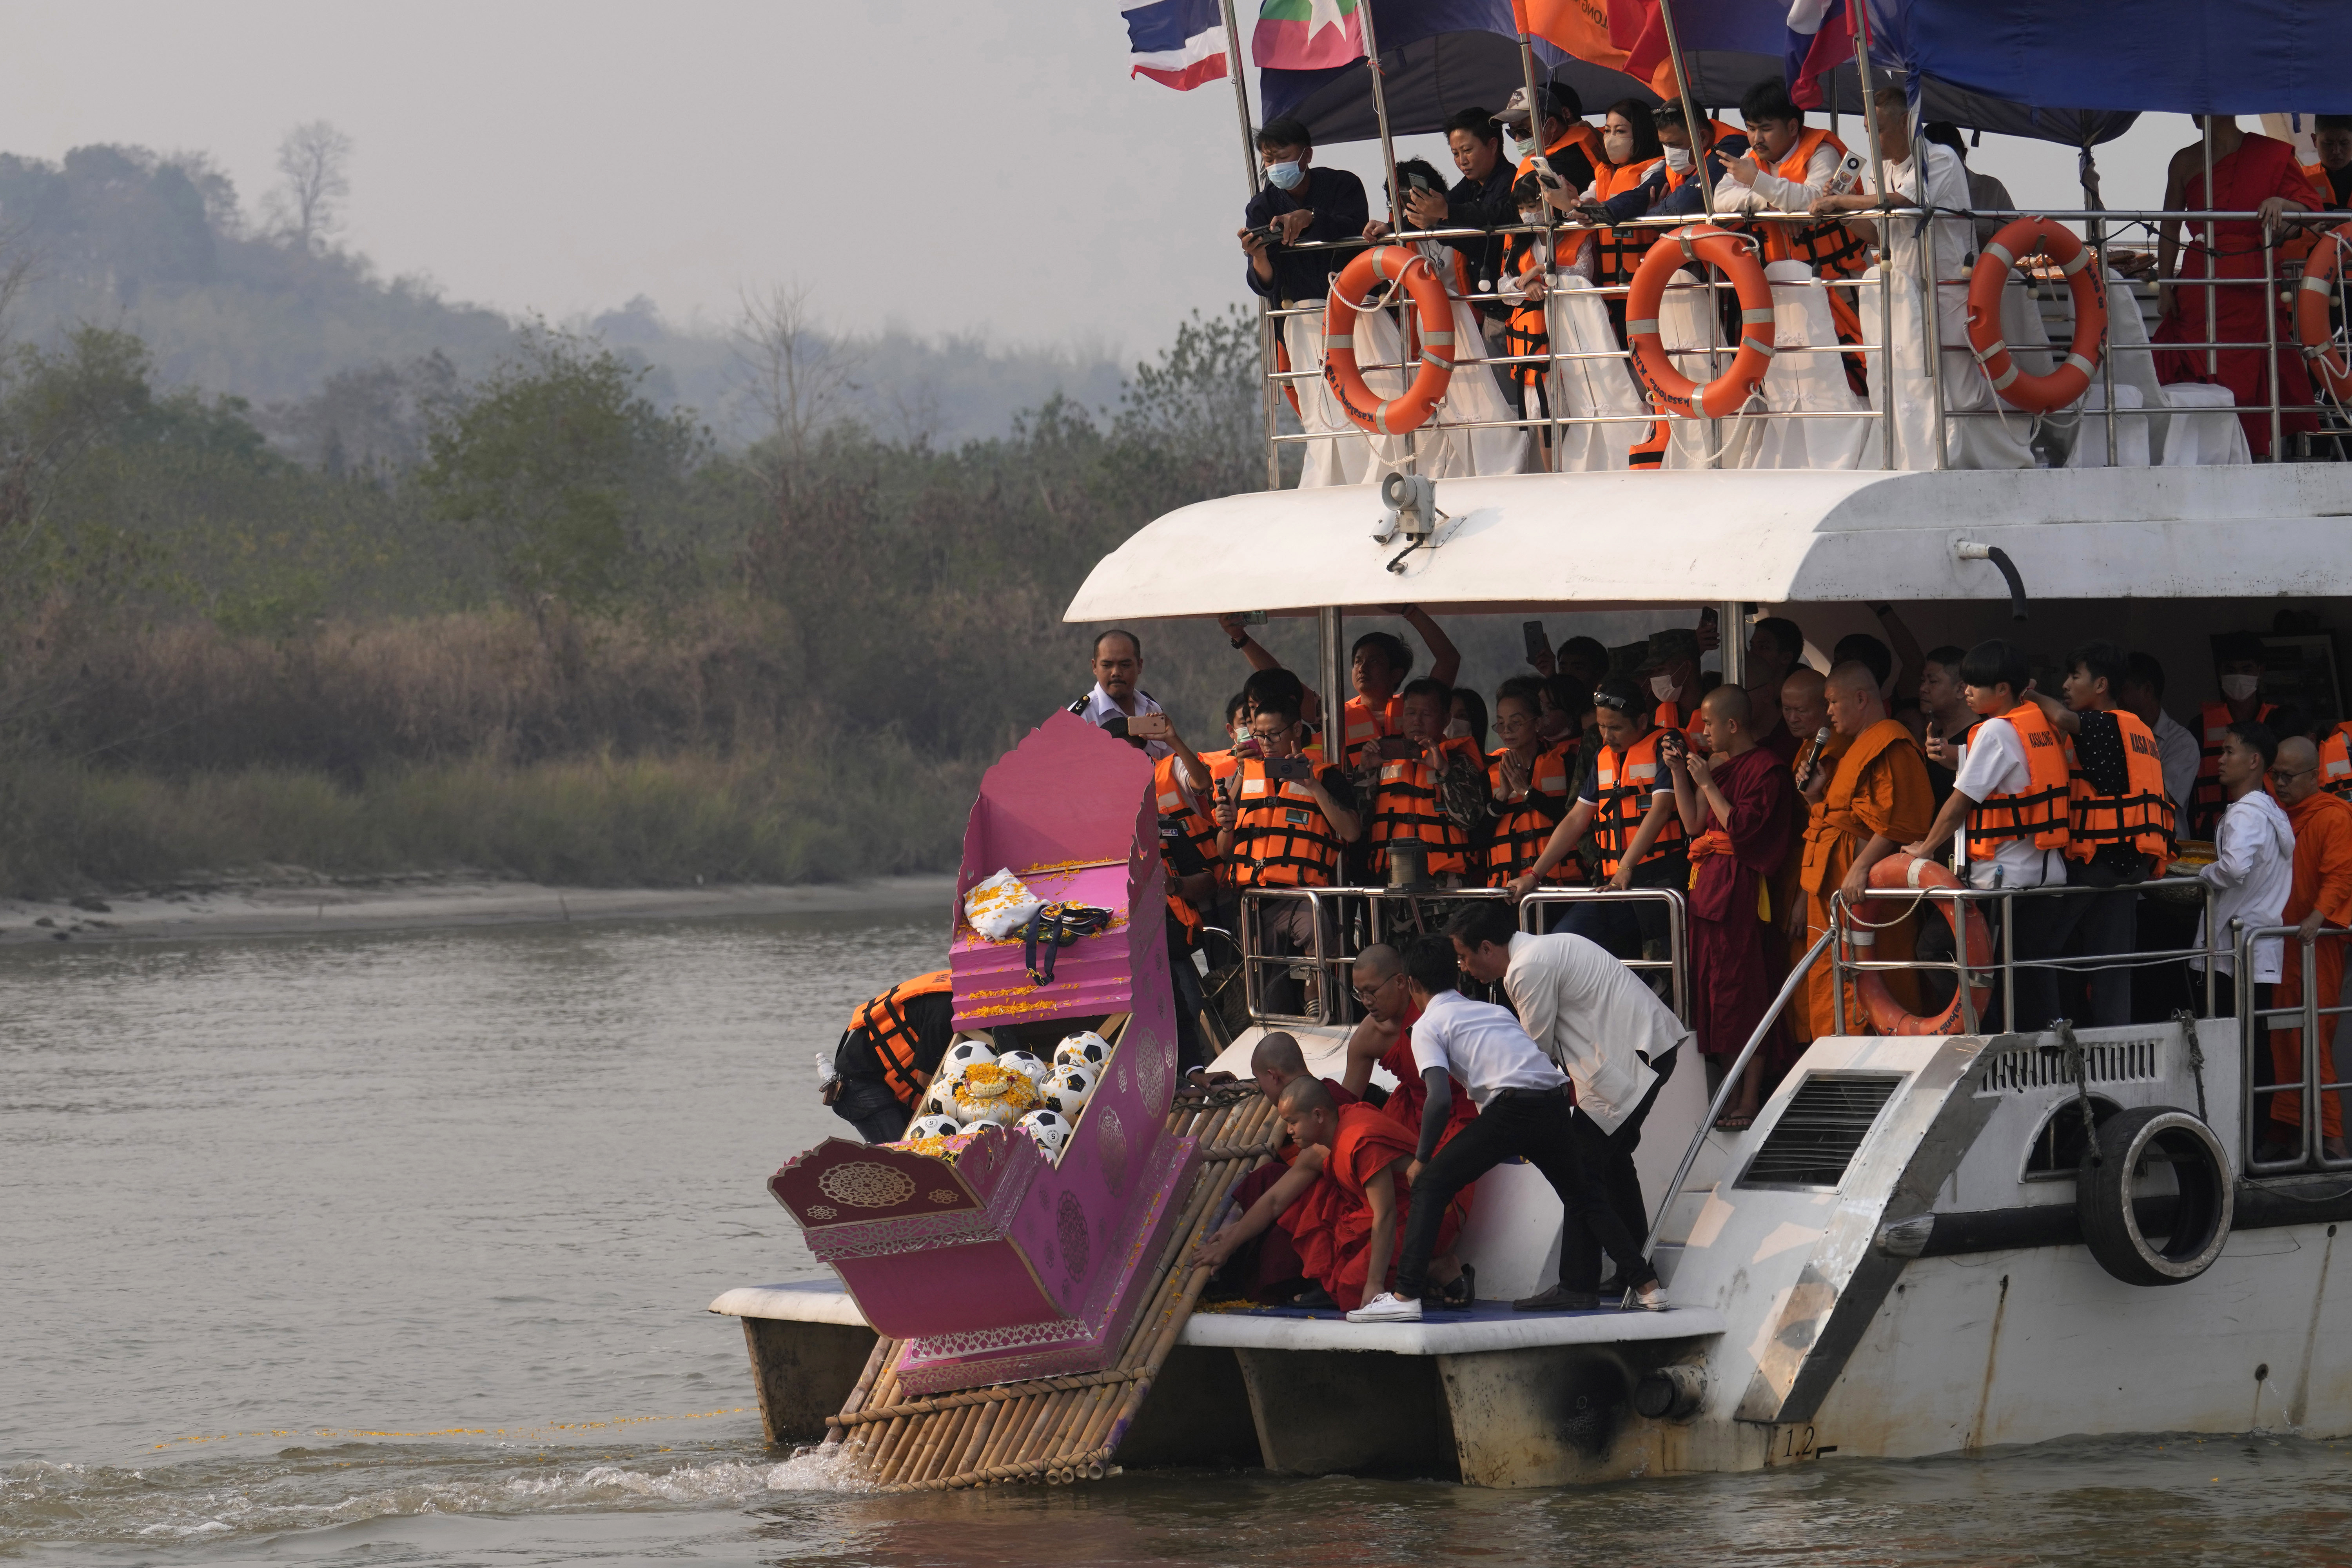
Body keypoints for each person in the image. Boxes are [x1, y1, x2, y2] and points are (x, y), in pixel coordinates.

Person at [1359, 936, 1666, 1322]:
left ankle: (1404, 1296)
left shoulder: (1427, 1025)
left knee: (1430, 1183)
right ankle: (1649, 1287)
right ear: (1455, 975)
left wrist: (1422, 1158)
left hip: (1511, 1110)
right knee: (1586, 1196)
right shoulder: (1494, 1012)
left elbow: (1438, 1097)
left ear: (1412, 984)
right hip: (1552, 1102)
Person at [1449, 903, 1685, 1307]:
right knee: (1610, 1162)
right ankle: (1633, 1271)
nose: (1463, 967)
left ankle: (1580, 1284)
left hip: (1632, 1060)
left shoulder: (1527, 968)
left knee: (1581, 1167)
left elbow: (1533, 1055)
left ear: (1487, 948)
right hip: (1646, 1051)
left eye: (1464, 956)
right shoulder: (1545, 949)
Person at [1811, 88, 2033, 470]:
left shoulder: (1941, 159)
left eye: (1878, 129)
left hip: (1947, 292)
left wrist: (1841, 202)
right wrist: (1842, 215)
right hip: (1905, 294)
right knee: (1909, 383)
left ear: (1904, 123)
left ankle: (1988, 460)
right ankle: (1916, 456)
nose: (1873, 140)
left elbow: (1898, 203)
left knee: (1960, 389)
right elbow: (1878, 232)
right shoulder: (1889, 171)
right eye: (1867, 130)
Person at [1905, 640, 2072, 1031]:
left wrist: (1924, 850)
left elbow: (1959, 803)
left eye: (1976, 686)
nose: (1967, 691)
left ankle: (1984, 1031)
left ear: (2002, 690)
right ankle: (2034, 1038)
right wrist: (1954, 756)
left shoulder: (1996, 730)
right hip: (2044, 879)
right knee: (2027, 975)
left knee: (1934, 948)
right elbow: (2011, 773)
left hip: (2002, 882)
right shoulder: (2036, 723)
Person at [1198, 1076, 1469, 1312]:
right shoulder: (1323, 1145)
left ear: (1318, 1115)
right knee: (1312, 1205)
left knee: (1354, 1286)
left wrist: (1373, 1284)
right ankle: (1412, 1274)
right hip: (1383, 1214)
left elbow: (1386, 1214)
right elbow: (1274, 1201)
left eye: (1292, 1123)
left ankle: (1436, 1268)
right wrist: (1229, 1243)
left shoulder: (1360, 1140)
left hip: (1427, 1219)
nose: (1288, 1132)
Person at [2023, 641, 2175, 1029]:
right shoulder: (2138, 730)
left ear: (2102, 685)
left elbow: (2061, 716)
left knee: (2040, 950)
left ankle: (2053, 1030)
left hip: (2097, 865)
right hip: (2130, 865)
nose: (2067, 685)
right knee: (2113, 962)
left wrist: (2027, 692)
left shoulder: (2102, 724)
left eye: (2076, 676)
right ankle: (2115, 1038)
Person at [2153, 116, 2323, 457]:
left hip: (2253, 280)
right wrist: (2165, 285)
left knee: (2252, 370)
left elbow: (2311, 210)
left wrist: (2282, 204)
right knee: (2198, 368)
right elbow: (2169, 226)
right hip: (2199, 282)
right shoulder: (2185, 160)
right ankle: (2201, 453)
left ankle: (2252, 453)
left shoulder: (2271, 153)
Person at [1669, 684, 1798, 1123]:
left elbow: (1743, 831)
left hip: (1740, 891)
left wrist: (1706, 780)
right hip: (1706, 888)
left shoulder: (1766, 770)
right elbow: (1692, 824)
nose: (1702, 731)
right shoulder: (1720, 767)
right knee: (1713, 995)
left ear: (1732, 724)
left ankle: (1750, 1097)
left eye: (1707, 723)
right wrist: (1679, 775)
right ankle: (1726, 1090)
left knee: (1744, 992)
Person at [1509, 675, 1689, 965]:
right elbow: (1577, 818)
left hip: (1659, 881)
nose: (1606, 736)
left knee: (1673, 967)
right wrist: (1534, 875)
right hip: (1612, 884)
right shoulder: (1603, 756)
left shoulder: (1666, 745)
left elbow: (1662, 808)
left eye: (1615, 727)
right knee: (1563, 946)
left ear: (1642, 722)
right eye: (1602, 727)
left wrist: (1626, 867)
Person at [1802, 661, 1934, 1036]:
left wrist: (1861, 867)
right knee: (1834, 974)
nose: (1827, 712)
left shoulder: (1890, 741)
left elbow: (1900, 823)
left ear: (1860, 699)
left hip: (1865, 886)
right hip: (1833, 884)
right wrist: (1815, 796)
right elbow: (1843, 819)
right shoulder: (1856, 747)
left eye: (1832, 702)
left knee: (1876, 972)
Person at [1240, 118, 1374, 488]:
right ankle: (1329, 484)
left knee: (1371, 393)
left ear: (1306, 155)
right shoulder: (1261, 207)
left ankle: (1377, 474)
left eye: (1282, 157)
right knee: (1322, 413)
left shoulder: (1343, 184)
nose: (1275, 167)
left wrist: (1311, 219)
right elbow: (1265, 284)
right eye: (1268, 160)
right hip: (1301, 318)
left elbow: (1354, 227)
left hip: (1354, 312)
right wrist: (1260, 258)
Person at [1215, 690, 1361, 1013]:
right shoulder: (1244, 778)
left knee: (1319, 930)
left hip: (1300, 896)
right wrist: (1226, 827)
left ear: (1297, 730)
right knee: (1270, 1001)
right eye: (1259, 735)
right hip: (1254, 902)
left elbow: (1351, 831)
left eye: (1274, 735)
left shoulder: (1326, 776)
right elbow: (1225, 851)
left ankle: (1317, 996)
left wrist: (1312, 786)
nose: (1266, 743)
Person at [2264, 736, 2352, 1161]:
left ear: (2314, 777)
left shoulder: (2334, 816)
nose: (2279, 783)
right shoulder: (2276, 813)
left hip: (2316, 945)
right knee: (2283, 1037)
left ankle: (2332, 1140)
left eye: (2288, 776)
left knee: (2312, 1039)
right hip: (2281, 946)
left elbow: (2341, 875)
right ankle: (2286, 1131)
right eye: (2275, 774)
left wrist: (2316, 920)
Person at [2193, 722, 2293, 1022]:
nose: (2221, 759)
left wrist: (2203, 875)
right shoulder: (2272, 811)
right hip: (2260, 945)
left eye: (2229, 751)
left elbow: (2235, 868)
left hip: (2236, 949)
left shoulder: (2245, 812)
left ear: (2254, 761)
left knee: (2232, 1045)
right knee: (2256, 1044)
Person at [1359, 677, 1488, 886]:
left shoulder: (1459, 761)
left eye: (1426, 714)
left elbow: (1470, 819)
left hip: (1446, 885)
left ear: (1446, 719)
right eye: (1411, 713)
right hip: (1392, 883)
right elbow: (1358, 825)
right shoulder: (1381, 759)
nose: (1417, 721)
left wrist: (1444, 770)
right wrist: (1364, 771)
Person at [826, 971, 956, 1142]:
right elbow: (926, 1080)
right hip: (860, 1086)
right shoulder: (944, 1012)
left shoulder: (951, 989)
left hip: (884, 1078)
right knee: (904, 1155)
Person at [1486, 682, 1579, 889]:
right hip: (1508, 889)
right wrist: (1501, 797)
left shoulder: (1567, 763)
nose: (1506, 731)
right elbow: (1478, 840)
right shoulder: (1489, 770)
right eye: (1500, 723)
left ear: (1537, 722)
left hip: (1561, 886)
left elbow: (1577, 821)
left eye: (1516, 722)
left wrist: (1527, 792)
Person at [2193, 632, 2278, 839]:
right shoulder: (2199, 726)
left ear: (2261, 671)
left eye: (2246, 669)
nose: (2238, 676)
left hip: (2269, 826)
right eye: (2231, 670)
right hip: (2212, 831)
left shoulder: (2278, 722)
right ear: (2220, 674)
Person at [1071, 629, 1184, 764]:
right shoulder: (1080, 719)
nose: (1116, 673)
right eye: (1107, 665)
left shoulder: (1152, 709)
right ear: (1095, 667)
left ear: (1140, 666)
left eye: (1125, 665)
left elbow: (1173, 767)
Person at [1920, 121, 2018, 250]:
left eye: (1950, 160)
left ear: (1964, 155)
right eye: (1935, 162)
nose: (1943, 167)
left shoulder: (1992, 189)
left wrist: (1971, 240)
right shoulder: (1912, 191)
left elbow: (2015, 240)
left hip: (1984, 268)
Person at [1642, 627, 1708, 739]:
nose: (1653, 678)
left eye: (1660, 670)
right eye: (1652, 672)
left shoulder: (1720, 709)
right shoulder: (1653, 720)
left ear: (1686, 668)